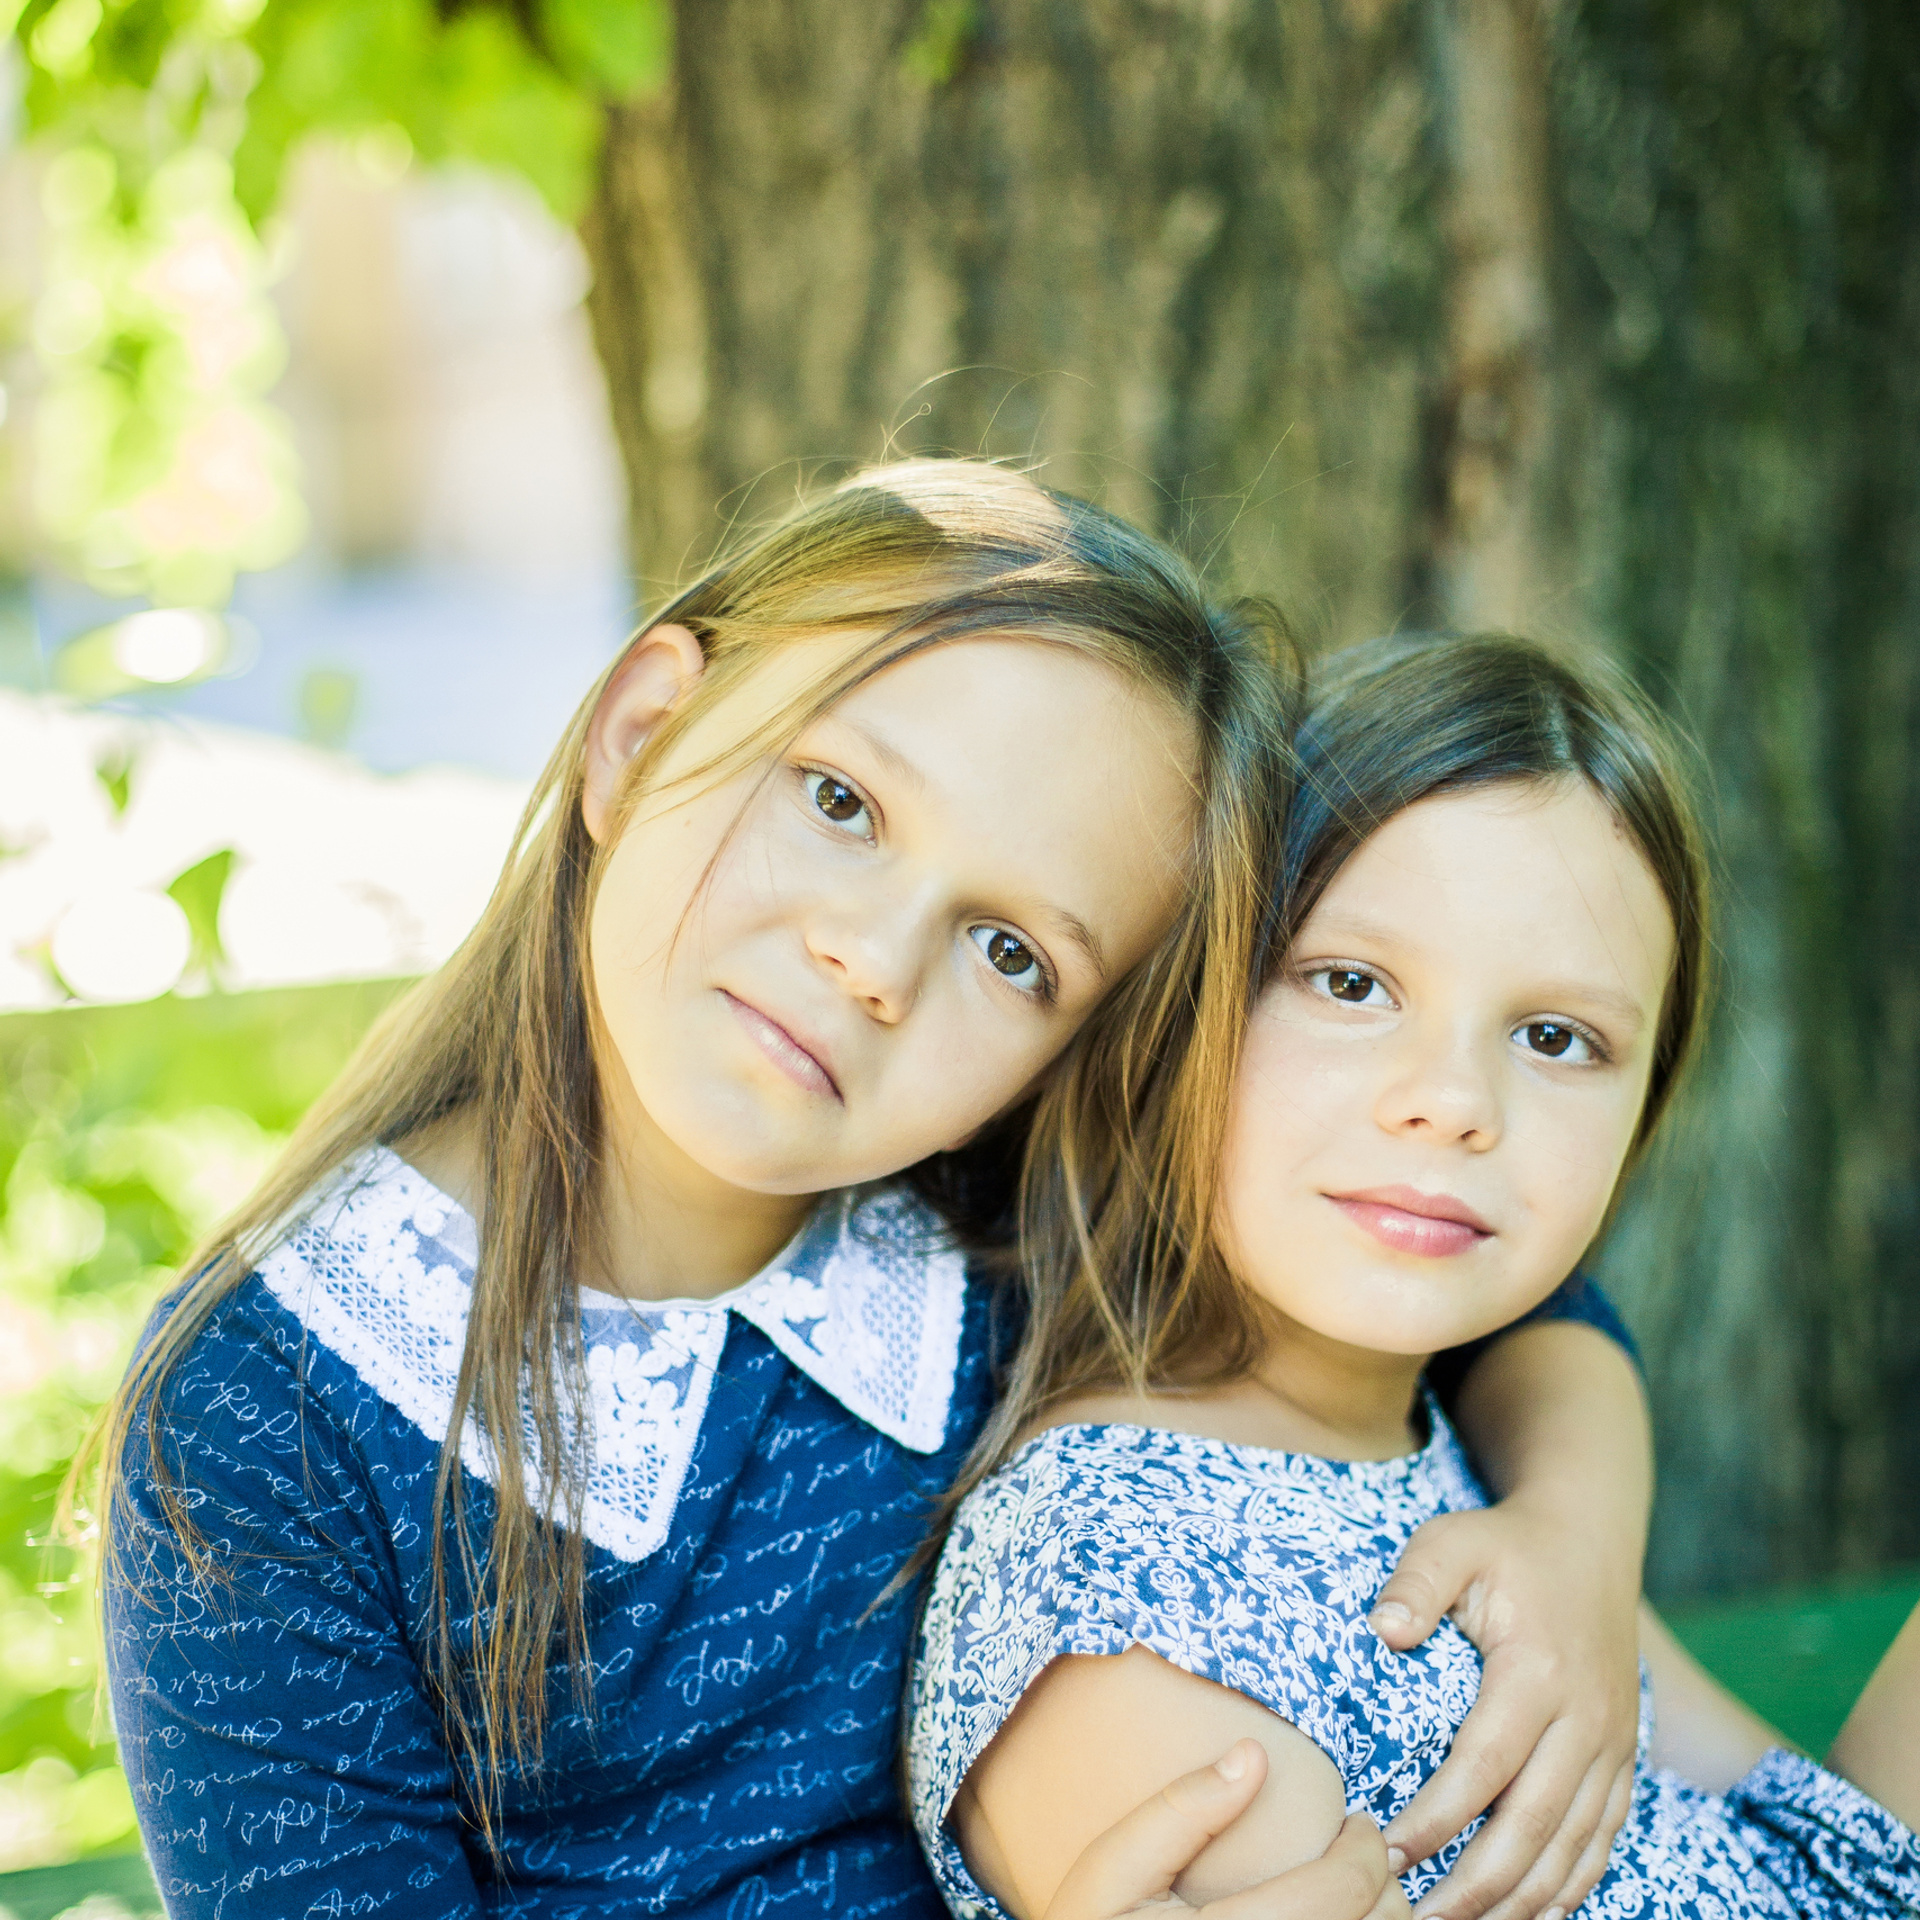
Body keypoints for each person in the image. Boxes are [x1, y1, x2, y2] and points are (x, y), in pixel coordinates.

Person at [100, 469, 1641, 1920]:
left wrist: (1578, 1537)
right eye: (839, 800)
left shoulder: (1004, 1214)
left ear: (1076, 1054)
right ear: (641, 732)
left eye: (1014, 951)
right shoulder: (264, 1415)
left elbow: (1508, 1294)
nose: (877, 961)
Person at [908, 631, 1920, 1920]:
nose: (1452, 1102)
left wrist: (1577, 1536)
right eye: (1351, 983)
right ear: (1185, 1006)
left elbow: (1809, 1845)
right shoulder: (1116, 1598)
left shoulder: (1472, 1480)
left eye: (1558, 1038)